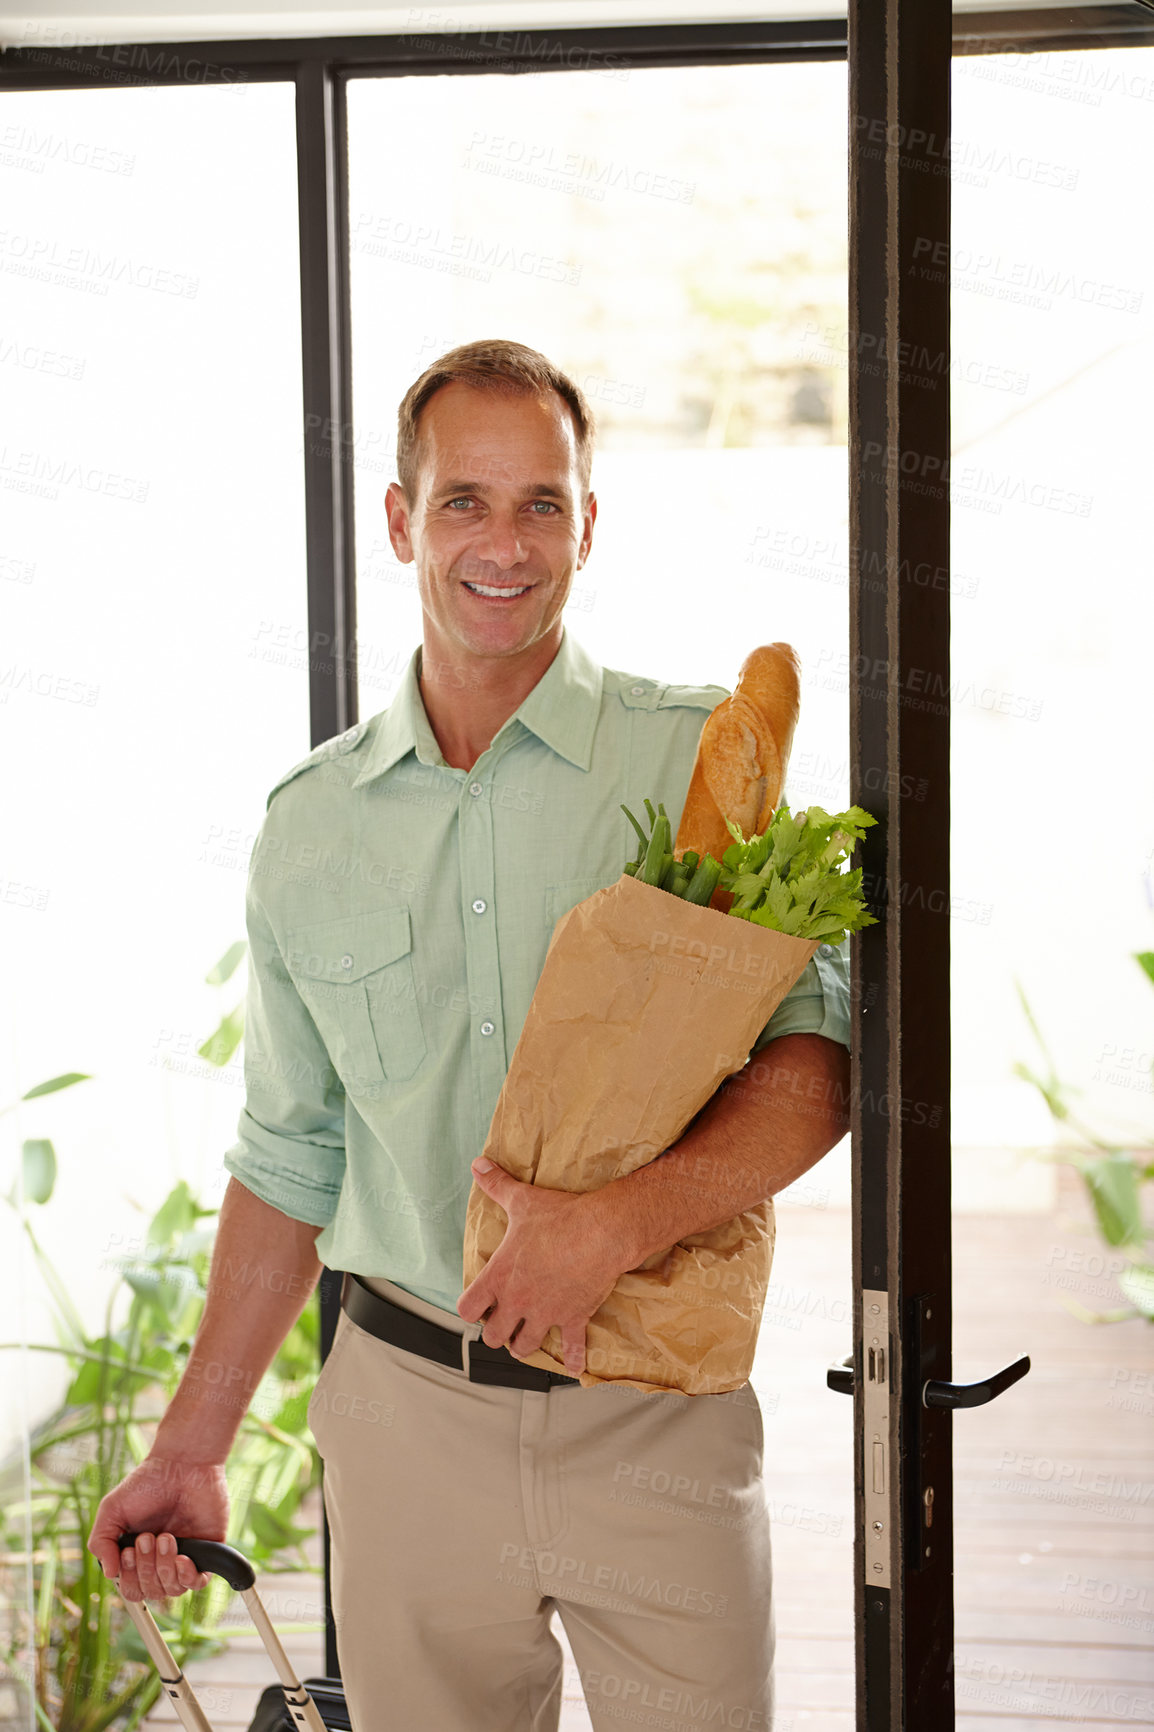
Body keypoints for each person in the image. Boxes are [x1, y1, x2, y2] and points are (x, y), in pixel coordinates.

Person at [89, 339, 852, 1730]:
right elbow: (289, 1155)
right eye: (463, 501)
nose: (503, 544)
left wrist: (608, 1226)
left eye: (540, 503)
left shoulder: (702, 758)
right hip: (403, 1422)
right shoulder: (309, 826)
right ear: (400, 519)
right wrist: (192, 1442)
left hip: (654, 1412)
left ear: (586, 524)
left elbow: (812, 1074)